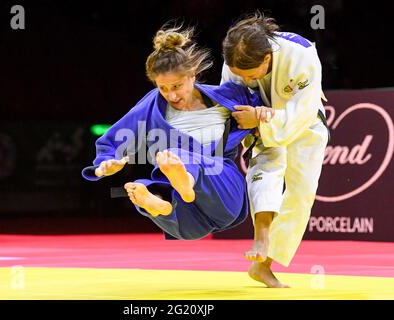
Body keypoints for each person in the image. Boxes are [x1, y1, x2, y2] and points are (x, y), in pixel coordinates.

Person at [82, 25, 270, 241]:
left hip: (224, 192)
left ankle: (184, 183)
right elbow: (111, 142)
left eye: (177, 86)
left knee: (172, 154)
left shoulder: (229, 95)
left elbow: (265, 108)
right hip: (190, 222)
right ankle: (162, 204)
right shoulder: (152, 106)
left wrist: (259, 115)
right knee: (146, 187)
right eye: (163, 88)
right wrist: (105, 164)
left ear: (192, 75)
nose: (171, 95)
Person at [221, 12, 329, 288]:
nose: (244, 79)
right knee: (268, 165)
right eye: (238, 74)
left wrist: (262, 117)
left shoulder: (302, 55)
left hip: (304, 122)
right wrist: (249, 120)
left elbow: (301, 112)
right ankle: (262, 237)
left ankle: (264, 264)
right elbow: (231, 99)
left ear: (266, 58)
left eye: (249, 74)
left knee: (303, 192)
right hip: (257, 126)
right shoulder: (234, 60)